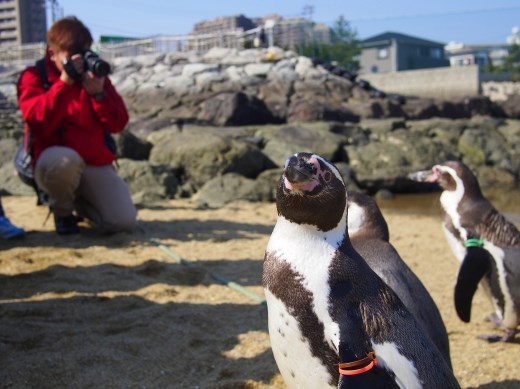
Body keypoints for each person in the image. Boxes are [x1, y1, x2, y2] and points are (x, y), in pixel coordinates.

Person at [16, 16, 137, 235]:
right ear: (52, 54)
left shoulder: (94, 79)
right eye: (72, 55)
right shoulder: (34, 77)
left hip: (92, 161)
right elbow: (37, 122)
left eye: (84, 53)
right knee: (65, 161)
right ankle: (62, 212)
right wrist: (63, 84)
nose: (80, 61)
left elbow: (118, 123)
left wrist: (99, 95)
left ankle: (82, 204)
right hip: (54, 162)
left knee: (122, 221)